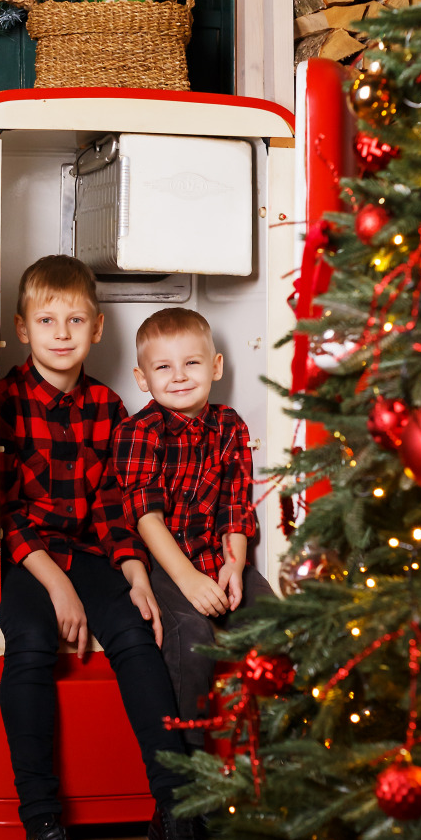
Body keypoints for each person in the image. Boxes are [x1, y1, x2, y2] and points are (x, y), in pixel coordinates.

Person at [0, 256, 199, 840]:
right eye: (47, 320)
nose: (62, 332)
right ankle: (43, 826)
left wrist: (135, 573)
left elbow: (115, 507)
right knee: (28, 648)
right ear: (23, 330)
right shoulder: (5, 396)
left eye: (75, 319)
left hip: (88, 553)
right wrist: (56, 585)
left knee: (141, 635)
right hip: (27, 559)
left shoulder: (108, 406)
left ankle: (175, 814)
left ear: (98, 329)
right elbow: (1, 513)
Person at [112, 308, 274, 750]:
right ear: (142, 378)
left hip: (218, 558)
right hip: (165, 565)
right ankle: (187, 775)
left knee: (277, 623)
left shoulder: (230, 426)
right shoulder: (137, 431)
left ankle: (277, 761)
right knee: (193, 635)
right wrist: (189, 580)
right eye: (163, 366)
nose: (179, 376)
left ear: (216, 366)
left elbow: (235, 507)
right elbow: (147, 518)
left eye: (192, 363)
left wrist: (235, 566)